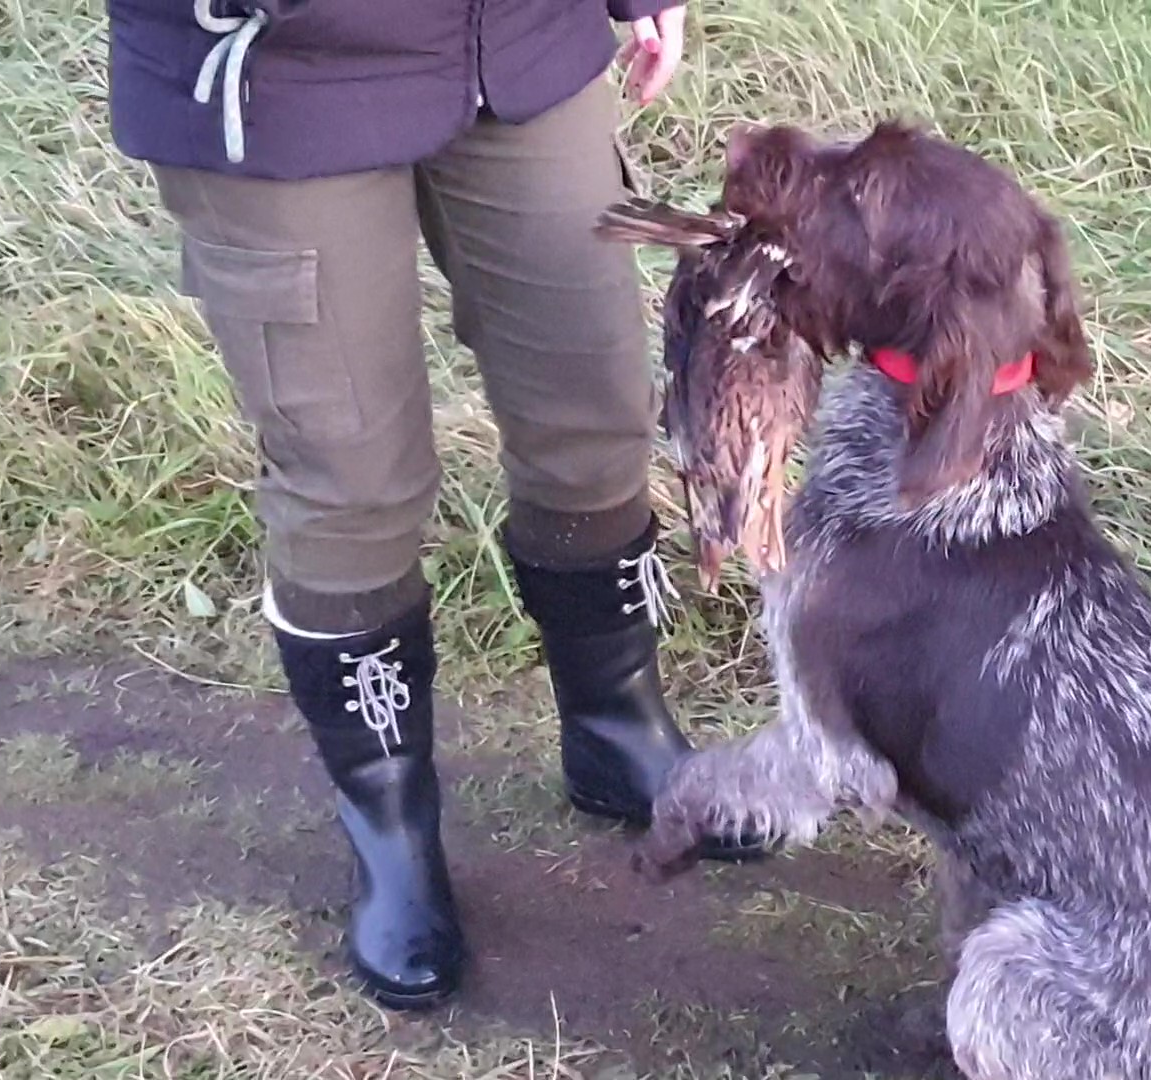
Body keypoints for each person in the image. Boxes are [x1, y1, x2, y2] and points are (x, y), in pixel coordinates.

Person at [103, 0, 759, 1010]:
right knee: (350, 479)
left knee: (594, 415)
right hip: (282, 74)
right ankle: (393, 832)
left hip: (522, 40)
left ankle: (617, 730)